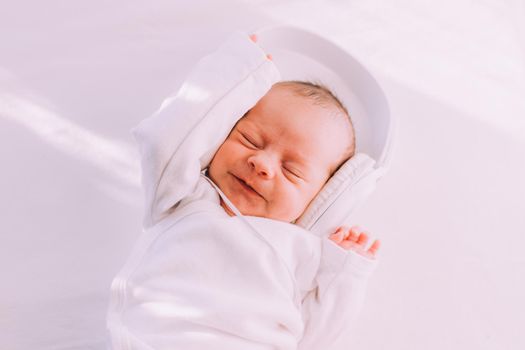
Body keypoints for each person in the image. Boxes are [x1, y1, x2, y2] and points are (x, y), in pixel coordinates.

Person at [107, 31, 381, 350]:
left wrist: (345, 273)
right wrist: (231, 72)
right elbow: (167, 136)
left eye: (291, 170)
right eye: (249, 140)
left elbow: (319, 335)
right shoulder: (184, 196)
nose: (261, 163)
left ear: (321, 197)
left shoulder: (301, 249)